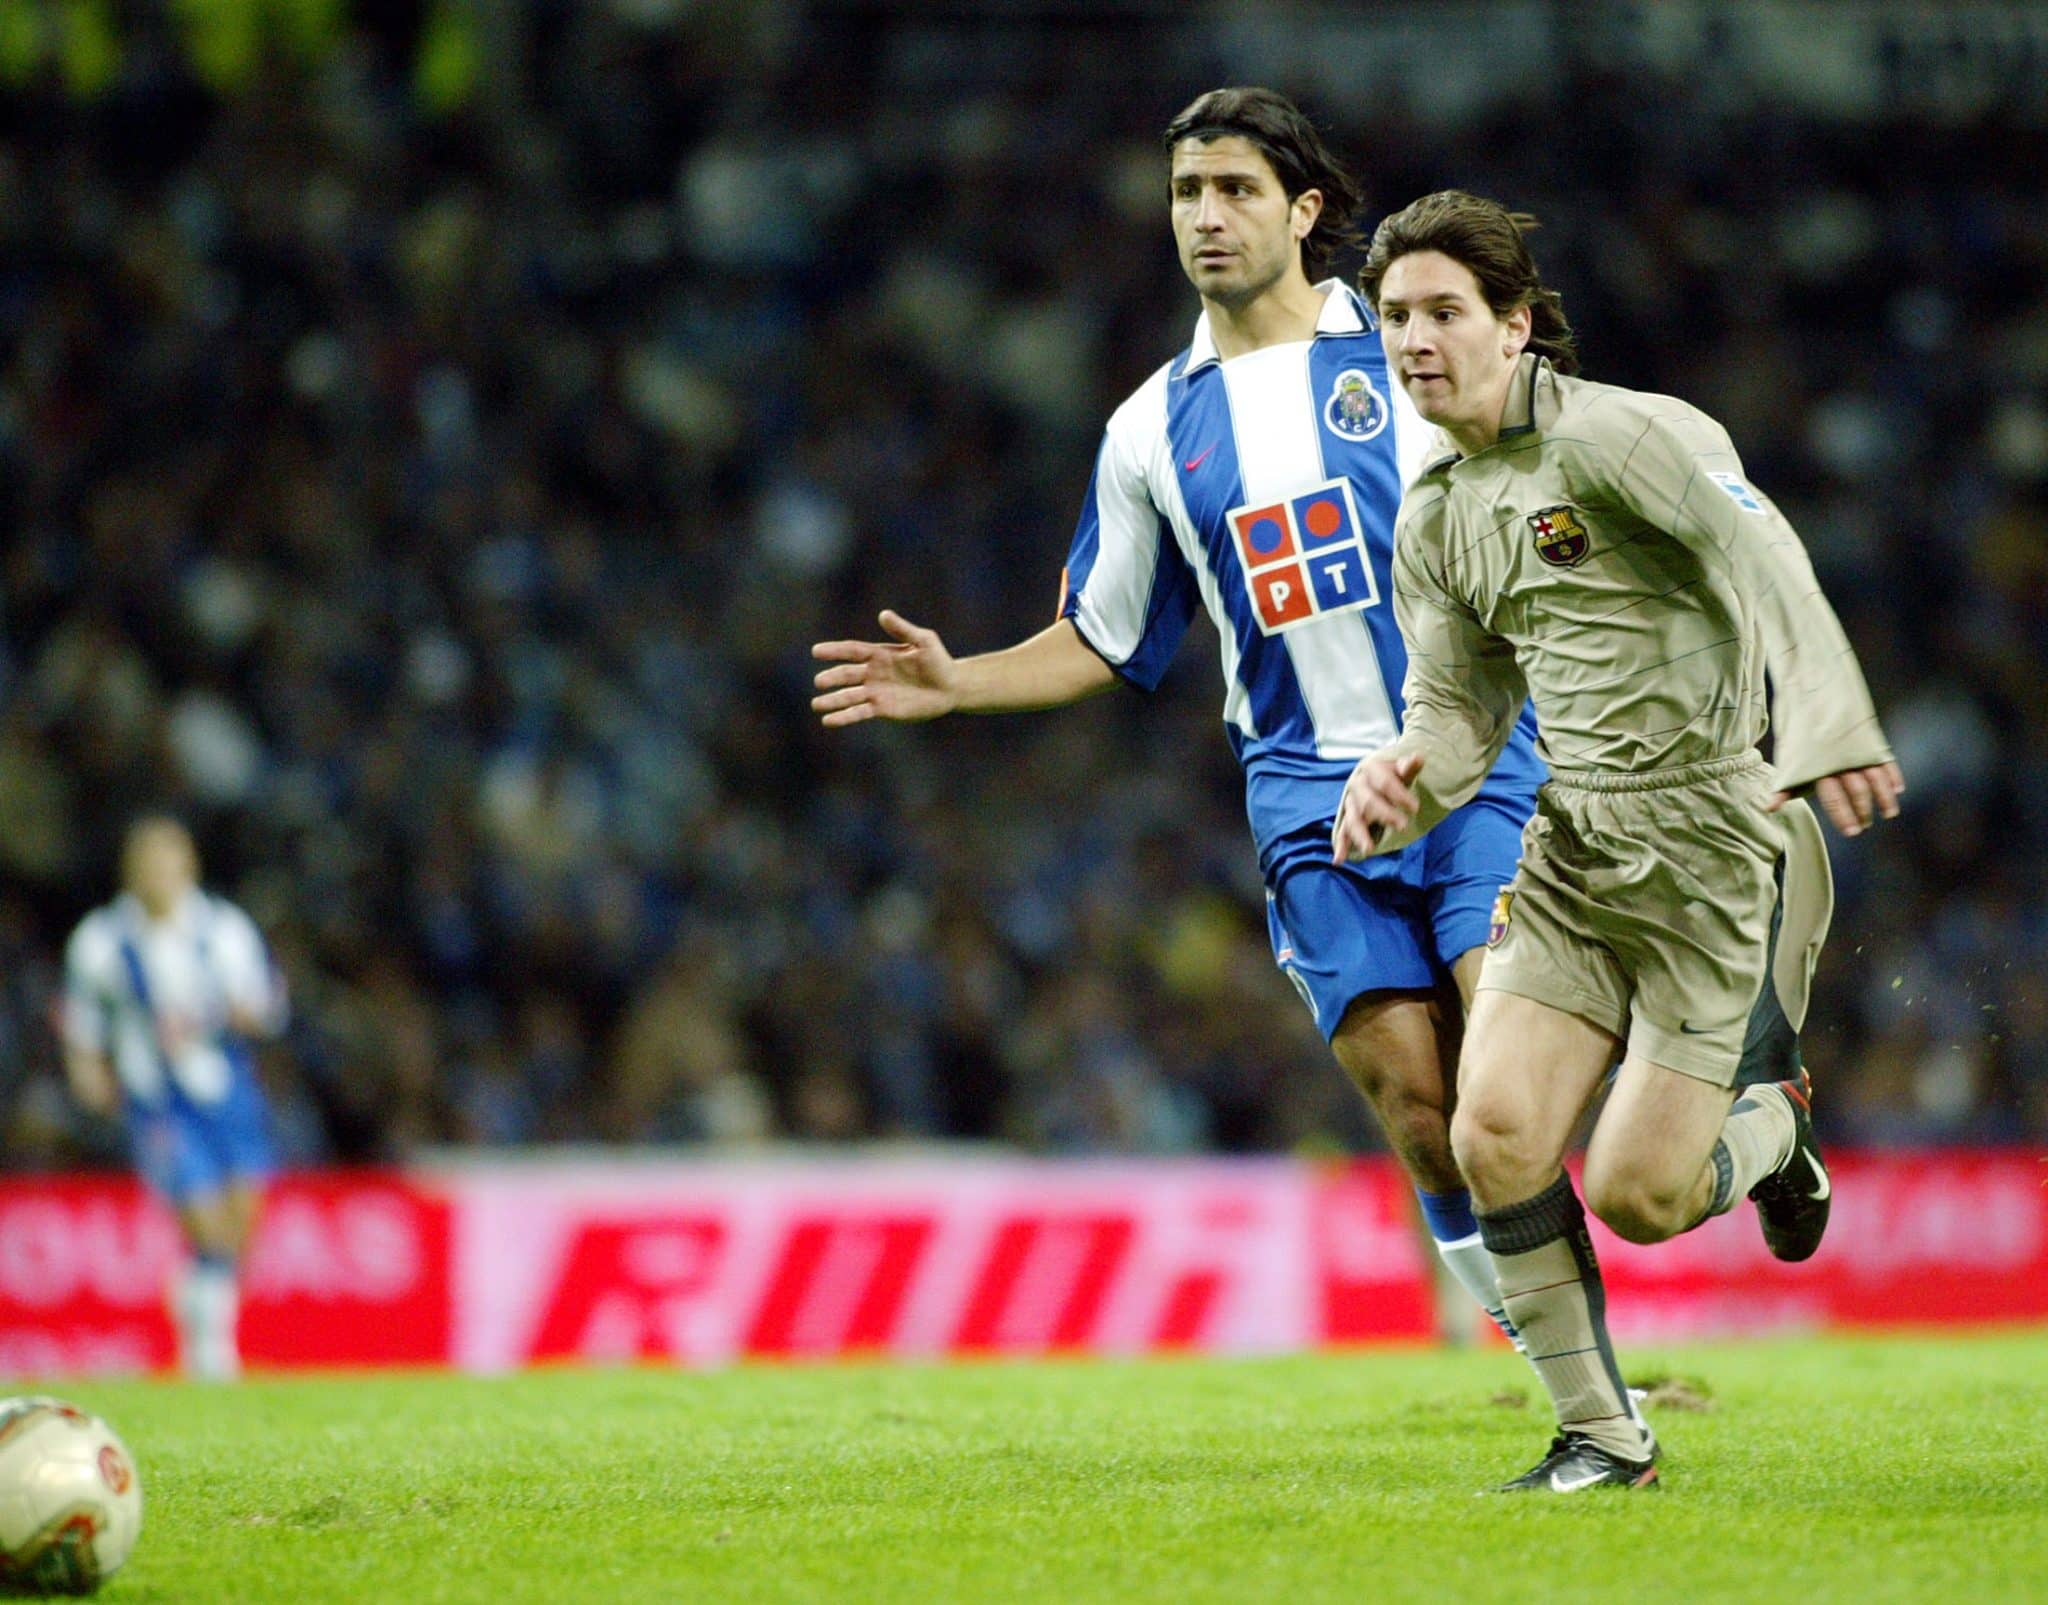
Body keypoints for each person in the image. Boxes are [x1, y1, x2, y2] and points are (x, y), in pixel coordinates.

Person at [812, 87, 1549, 1346]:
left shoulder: (1407, 349)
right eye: (1184, 194)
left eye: (1234, 191)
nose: (1204, 218)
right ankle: (1576, 1388)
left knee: (1503, 1087)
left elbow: (1553, 492)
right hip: (1307, 801)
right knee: (1420, 1114)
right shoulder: (1149, 427)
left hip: (1471, 762)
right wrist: (960, 682)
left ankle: (1708, 1151)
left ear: (1303, 210)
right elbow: (1103, 635)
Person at [1333, 190, 1904, 1492]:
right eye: (1394, 320)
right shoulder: (1435, 521)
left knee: (1643, 1197)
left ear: (1517, 324)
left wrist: (1827, 719)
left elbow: (1766, 554)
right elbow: (1460, 717)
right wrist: (1401, 784)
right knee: (1492, 1132)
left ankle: (1774, 1129)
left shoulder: (1630, 439)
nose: (1414, 341)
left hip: (1716, 832)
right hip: (1577, 838)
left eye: (1442, 313)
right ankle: (1601, 1436)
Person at [62, 816, 286, 1378]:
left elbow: (265, 1005)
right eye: (146, 862)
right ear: (130, 872)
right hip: (156, 1098)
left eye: (168, 861)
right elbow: (82, 1018)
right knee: (205, 1223)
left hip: (228, 1090)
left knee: (243, 1220)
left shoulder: (224, 929)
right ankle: (213, 1354)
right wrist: (87, 1070)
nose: (158, 874)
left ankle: (196, 1300)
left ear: (189, 866)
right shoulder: (101, 940)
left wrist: (246, 1014)